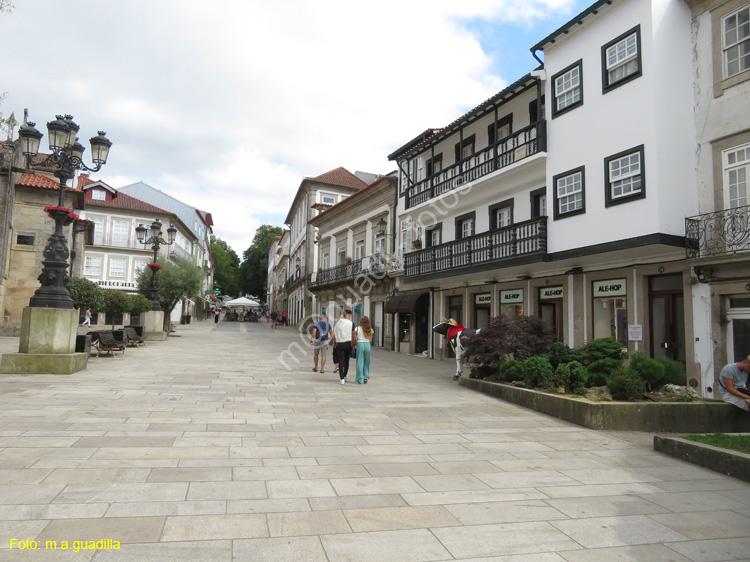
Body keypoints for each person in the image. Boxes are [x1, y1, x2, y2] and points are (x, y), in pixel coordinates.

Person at [331, 309, 353, 384]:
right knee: (346, 361)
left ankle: (342, 379)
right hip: (348, 343)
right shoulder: (351, 323)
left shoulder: (337, 324)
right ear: (348, 315)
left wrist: (334, 342)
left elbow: (334, 335)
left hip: (339, 344)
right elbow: (353, 334)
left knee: (340, 361)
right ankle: (345, 374)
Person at [353, 316, 373, 384]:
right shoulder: (370, 329)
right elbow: (370, 340)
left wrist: (353, 344)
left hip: (360, 344)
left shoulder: (357, 329)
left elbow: (355, 339)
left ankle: (360, 378)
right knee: (367, 362)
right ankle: (366, 376)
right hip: (367, 344)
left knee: (360, 361)